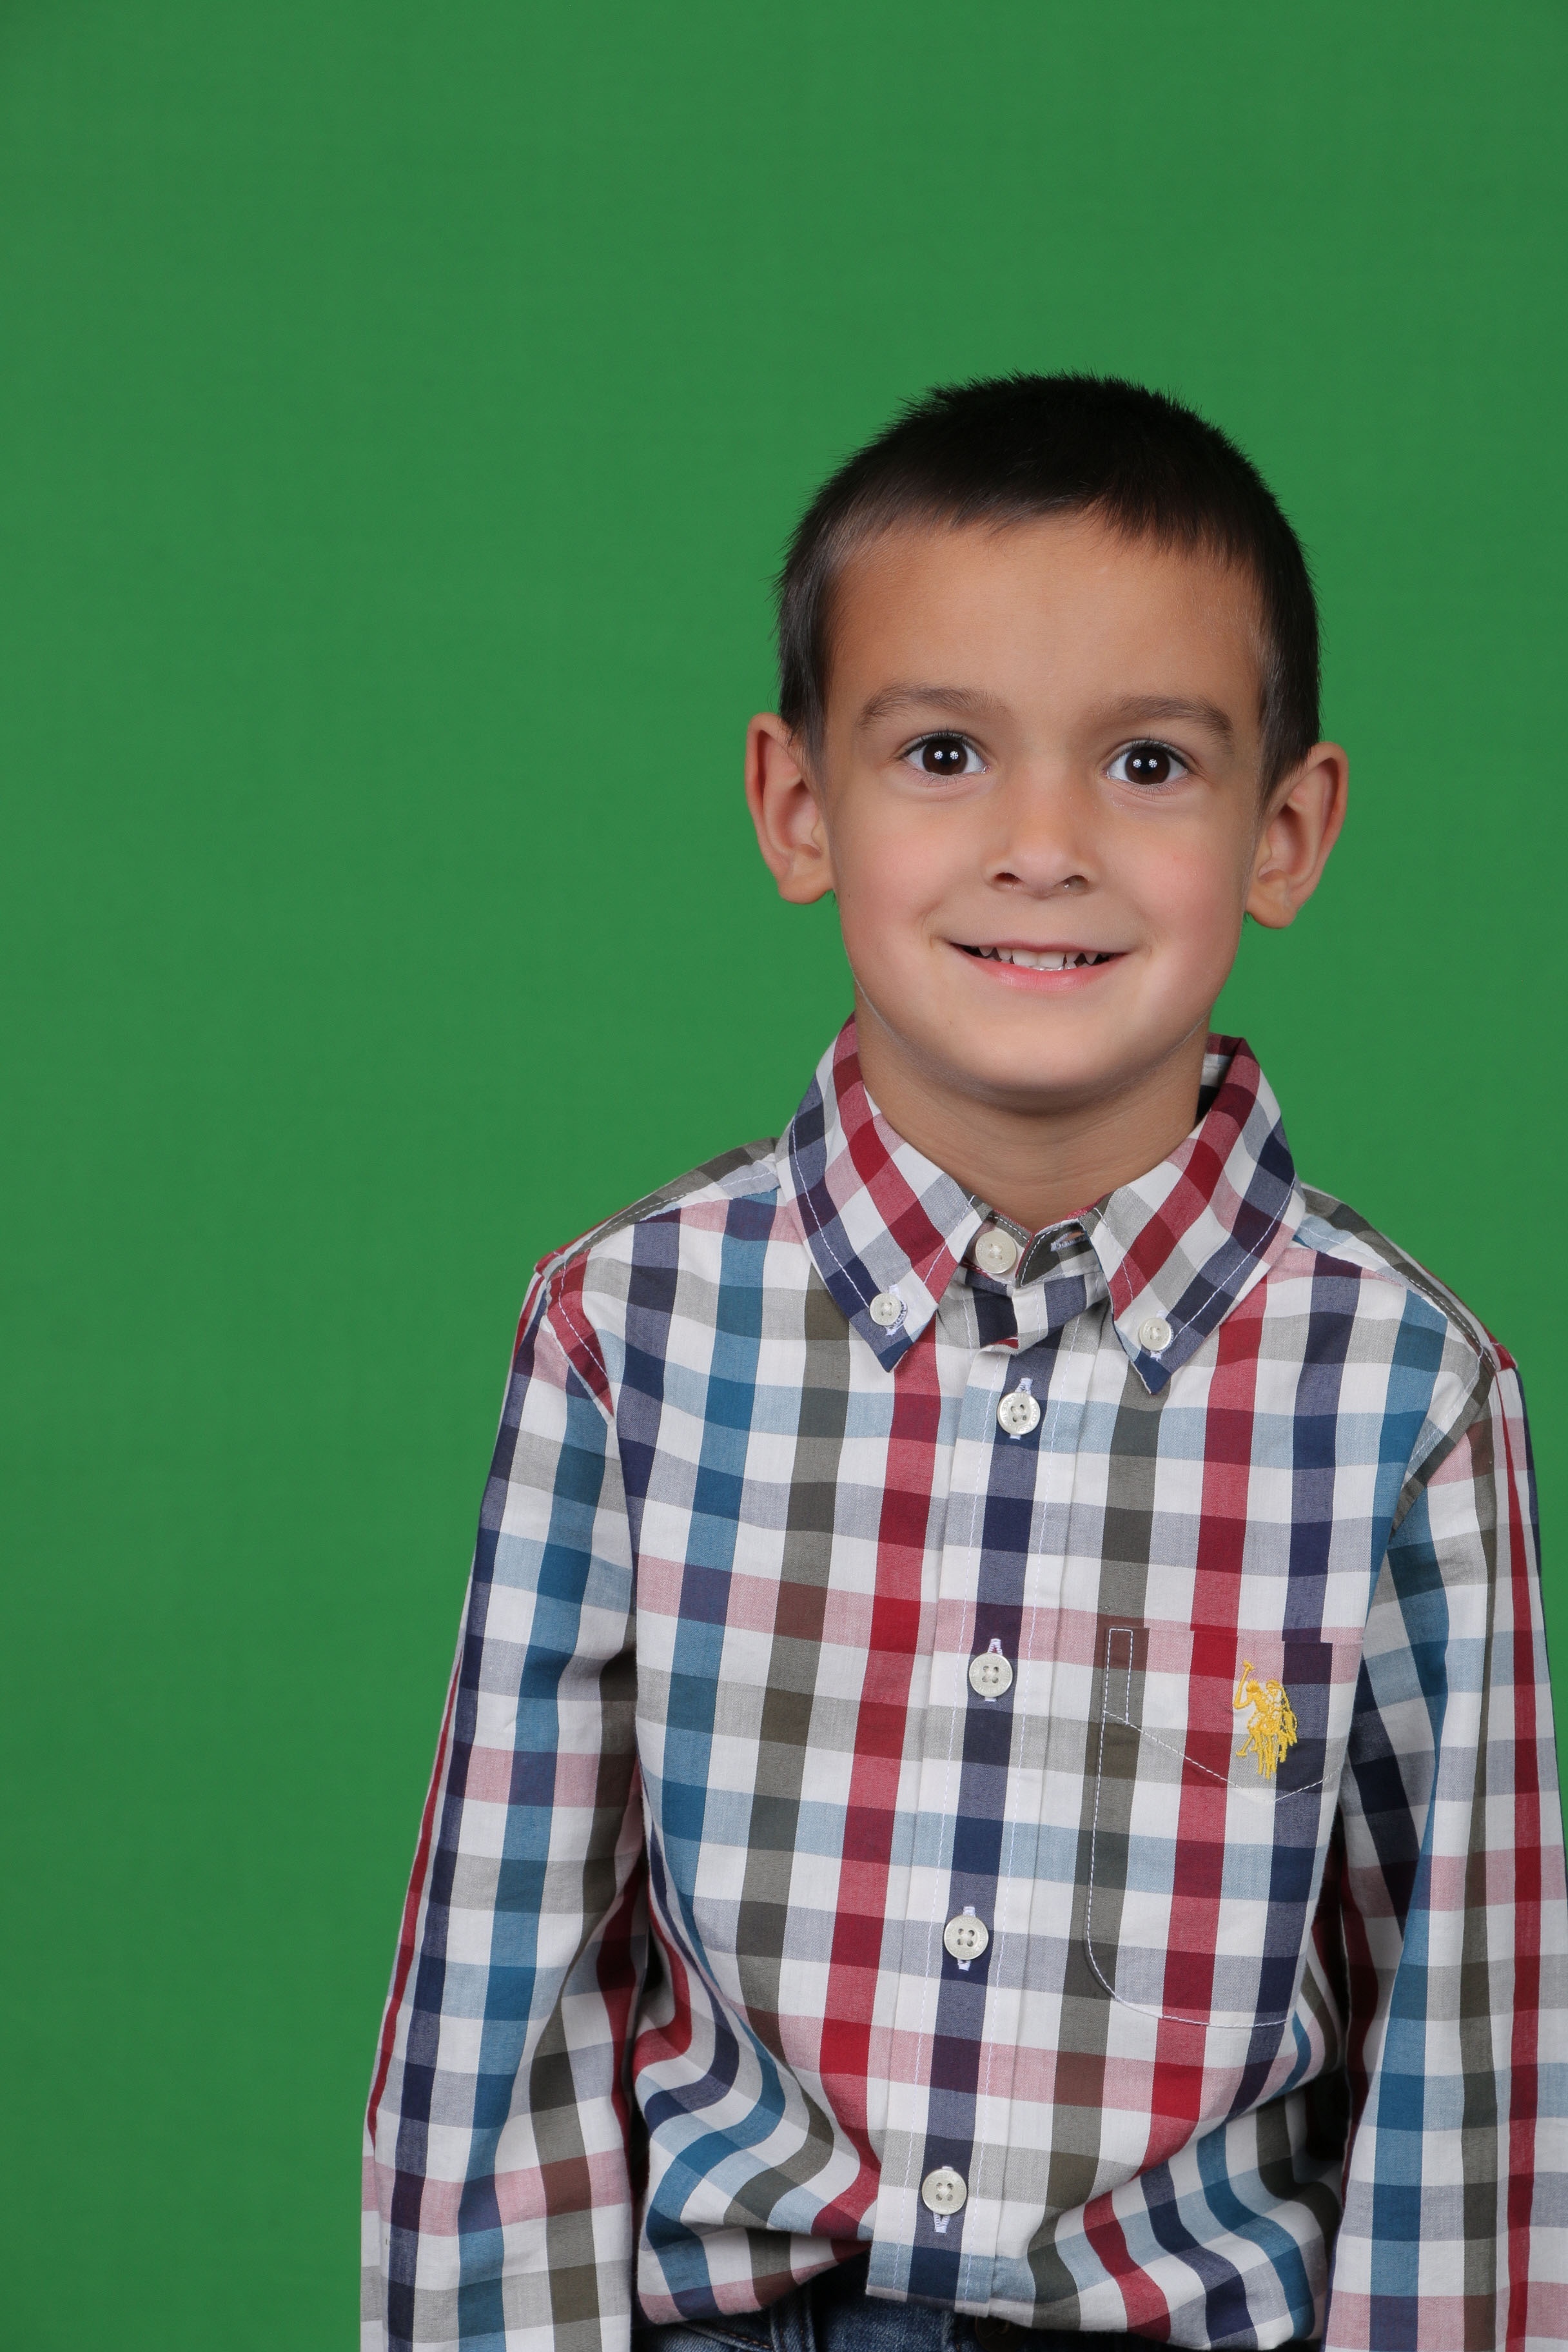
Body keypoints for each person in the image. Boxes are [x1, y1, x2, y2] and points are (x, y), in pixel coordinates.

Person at [362, 375, 1567, 2352]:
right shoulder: (626, 1332)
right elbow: (504, 1996)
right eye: (943, 752)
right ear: (797, 808)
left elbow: (1468, 2053)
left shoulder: (1403, 1392)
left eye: (1149, 764)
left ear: (1285, 832)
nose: (1042, 845)